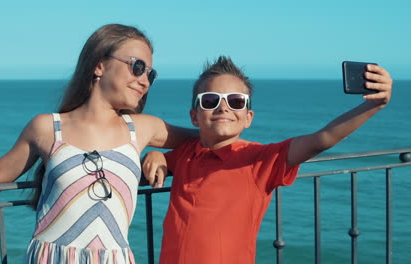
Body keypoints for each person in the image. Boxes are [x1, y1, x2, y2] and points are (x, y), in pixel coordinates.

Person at [0, 24, 196, 263]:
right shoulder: (48, 128)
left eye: (151, 73)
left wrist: (163, 157)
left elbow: (210, 141)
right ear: (99, 66)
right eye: (137, 67)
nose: (145, 80)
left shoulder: (141, 128)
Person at [142, 56, 393, 264]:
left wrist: (373, 106)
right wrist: (154, 155)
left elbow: (321, 139)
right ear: (195, 116)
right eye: (210, 101)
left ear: (248, 117)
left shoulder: (258, 160)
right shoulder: (187, 153)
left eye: (235, 101)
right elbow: (163, 160)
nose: (223, 108)